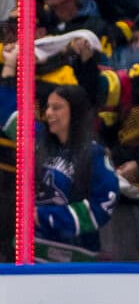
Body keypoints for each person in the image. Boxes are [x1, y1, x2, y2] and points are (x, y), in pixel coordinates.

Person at [32, 85, 118, 262]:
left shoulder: (94, 153)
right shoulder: (41, 144)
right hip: (33, 251)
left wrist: (44, 216)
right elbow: (11, 118)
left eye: (56, 107)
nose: (48, 113)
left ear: (75, 111)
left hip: (74, 257)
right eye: (47, 107)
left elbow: (102, 205)